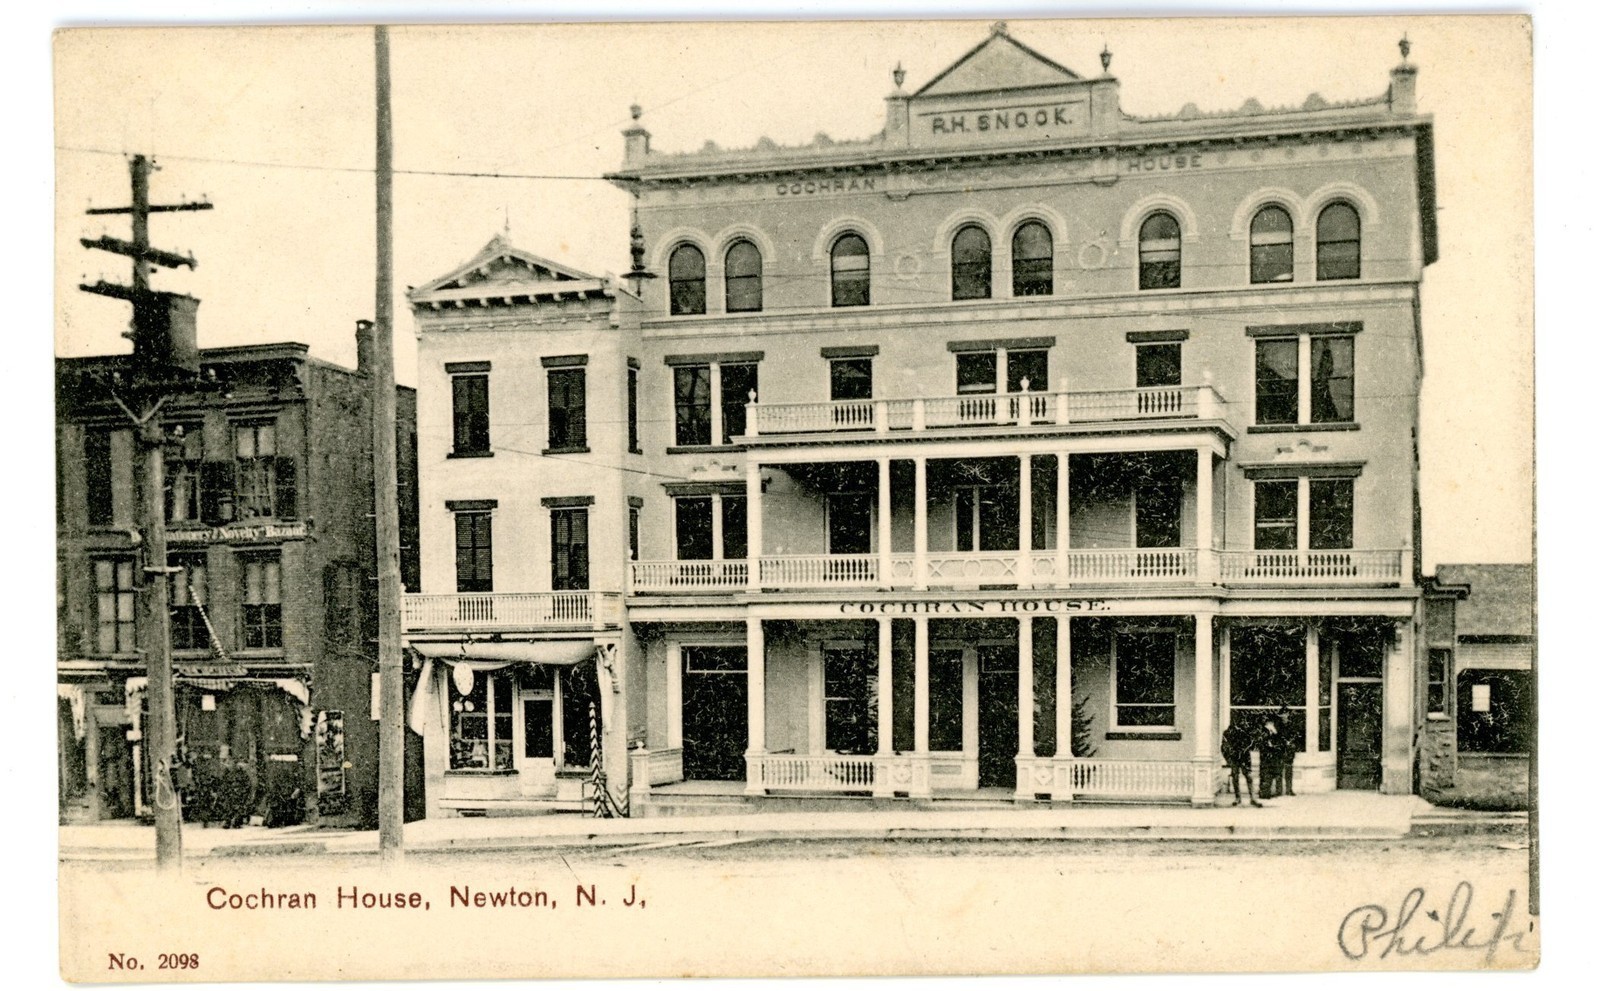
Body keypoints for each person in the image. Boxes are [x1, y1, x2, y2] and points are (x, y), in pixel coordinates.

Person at [1219, 719, 1262, 808]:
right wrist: (1228, 759)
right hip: (1234, 759)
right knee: (1235, 777)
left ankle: (1253, 798)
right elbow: (1223, 747)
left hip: (1245, 758)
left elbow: (1251, 744)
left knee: (1249, 777)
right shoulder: (1227, 733)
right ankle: (1237, 798)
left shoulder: (1245, 732)